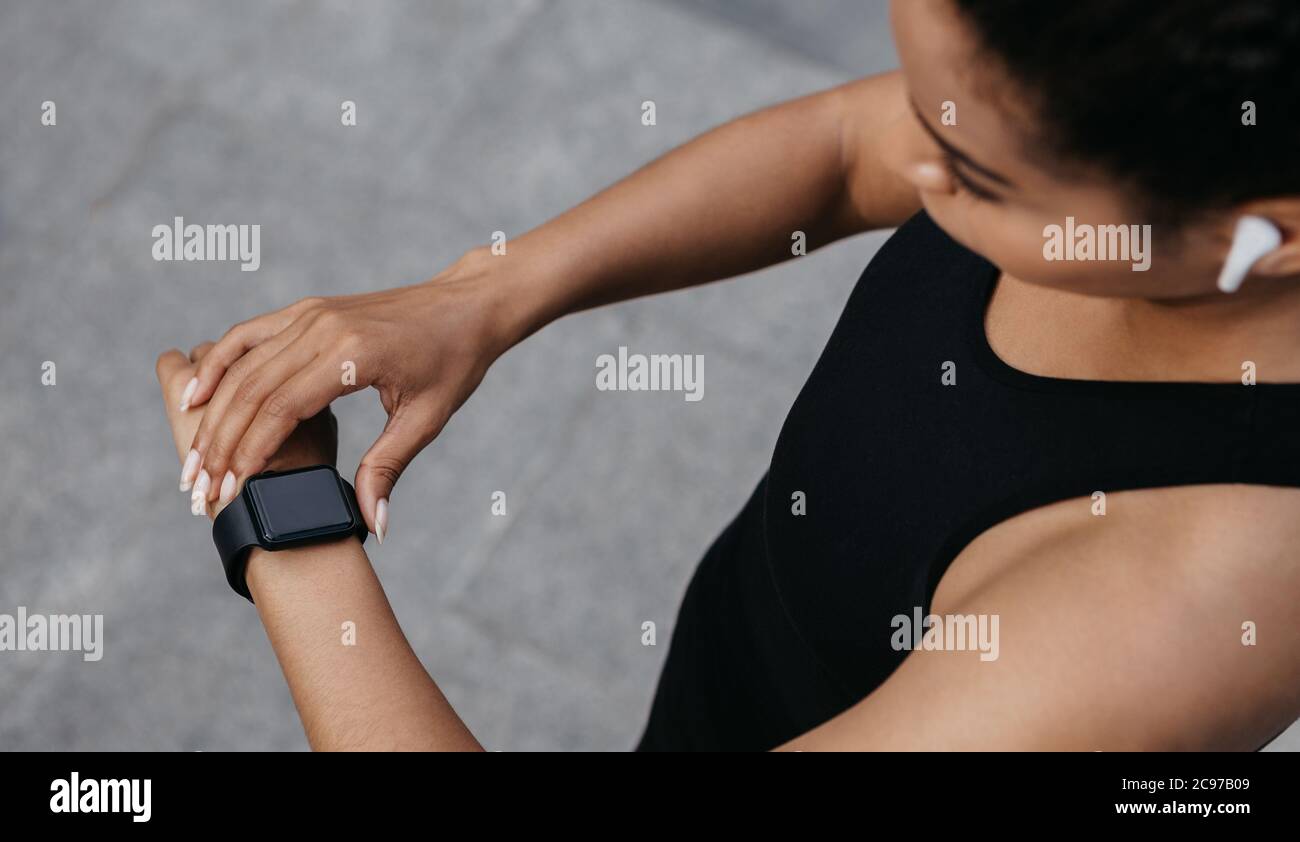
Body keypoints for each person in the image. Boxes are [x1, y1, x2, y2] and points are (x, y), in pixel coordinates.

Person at [159, 0, 1300, 750]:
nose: (911, 157)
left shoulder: (1171, 613)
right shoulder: (1145, 129)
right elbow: (846, 151)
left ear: (1270, 230)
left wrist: (284, 522)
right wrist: (485, 293)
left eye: (965, 169)